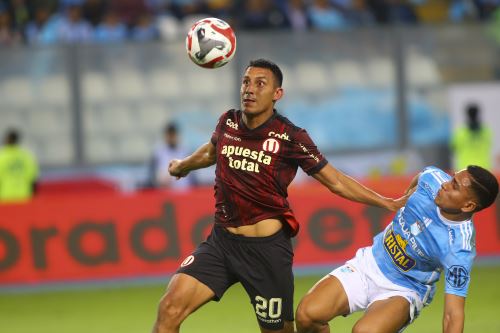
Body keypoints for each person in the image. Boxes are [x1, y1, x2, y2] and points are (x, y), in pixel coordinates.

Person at [151, 58, 407, 333]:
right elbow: (211, 151)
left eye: (260, 83)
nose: (250, 89)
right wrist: (183, 165)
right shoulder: (228, 122)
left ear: (277, 94)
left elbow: (336, 181)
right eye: (246, 82)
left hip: (266, 253)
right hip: (221, 244)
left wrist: (386, 201)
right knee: (169, 309)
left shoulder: (290, 137)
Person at [295, 165, 499, 333]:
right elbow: (420, 177)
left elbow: (453, 314)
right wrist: (405, 197)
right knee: (307, 315)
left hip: (404, 290)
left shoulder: (459, 248)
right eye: (451, 178)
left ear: (468, 206)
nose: (445, 184)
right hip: (368, 264)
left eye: (454, 186)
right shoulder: (432, 179)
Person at [148, 122, 195, 190]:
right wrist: (157, 181)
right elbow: (152, 176)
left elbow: (193, 177)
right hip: (165, 193)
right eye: (169, 134)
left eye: (173, 134)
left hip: (184, 192)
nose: (171, 137)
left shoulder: (185, 151)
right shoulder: (158, 153)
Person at [0, 128, 39, 202]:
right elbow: (33, 177)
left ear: (6, 140)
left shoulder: (1, 156)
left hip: (5, 196)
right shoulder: (26, 156)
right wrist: (34, 195)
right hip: (24, 195)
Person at [451, 103, 493, 171]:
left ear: (467, 114)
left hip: (465, 168)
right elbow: (489, 145)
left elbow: (454, 148)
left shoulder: (460, 132)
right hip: (484, 168)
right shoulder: (486, 131)